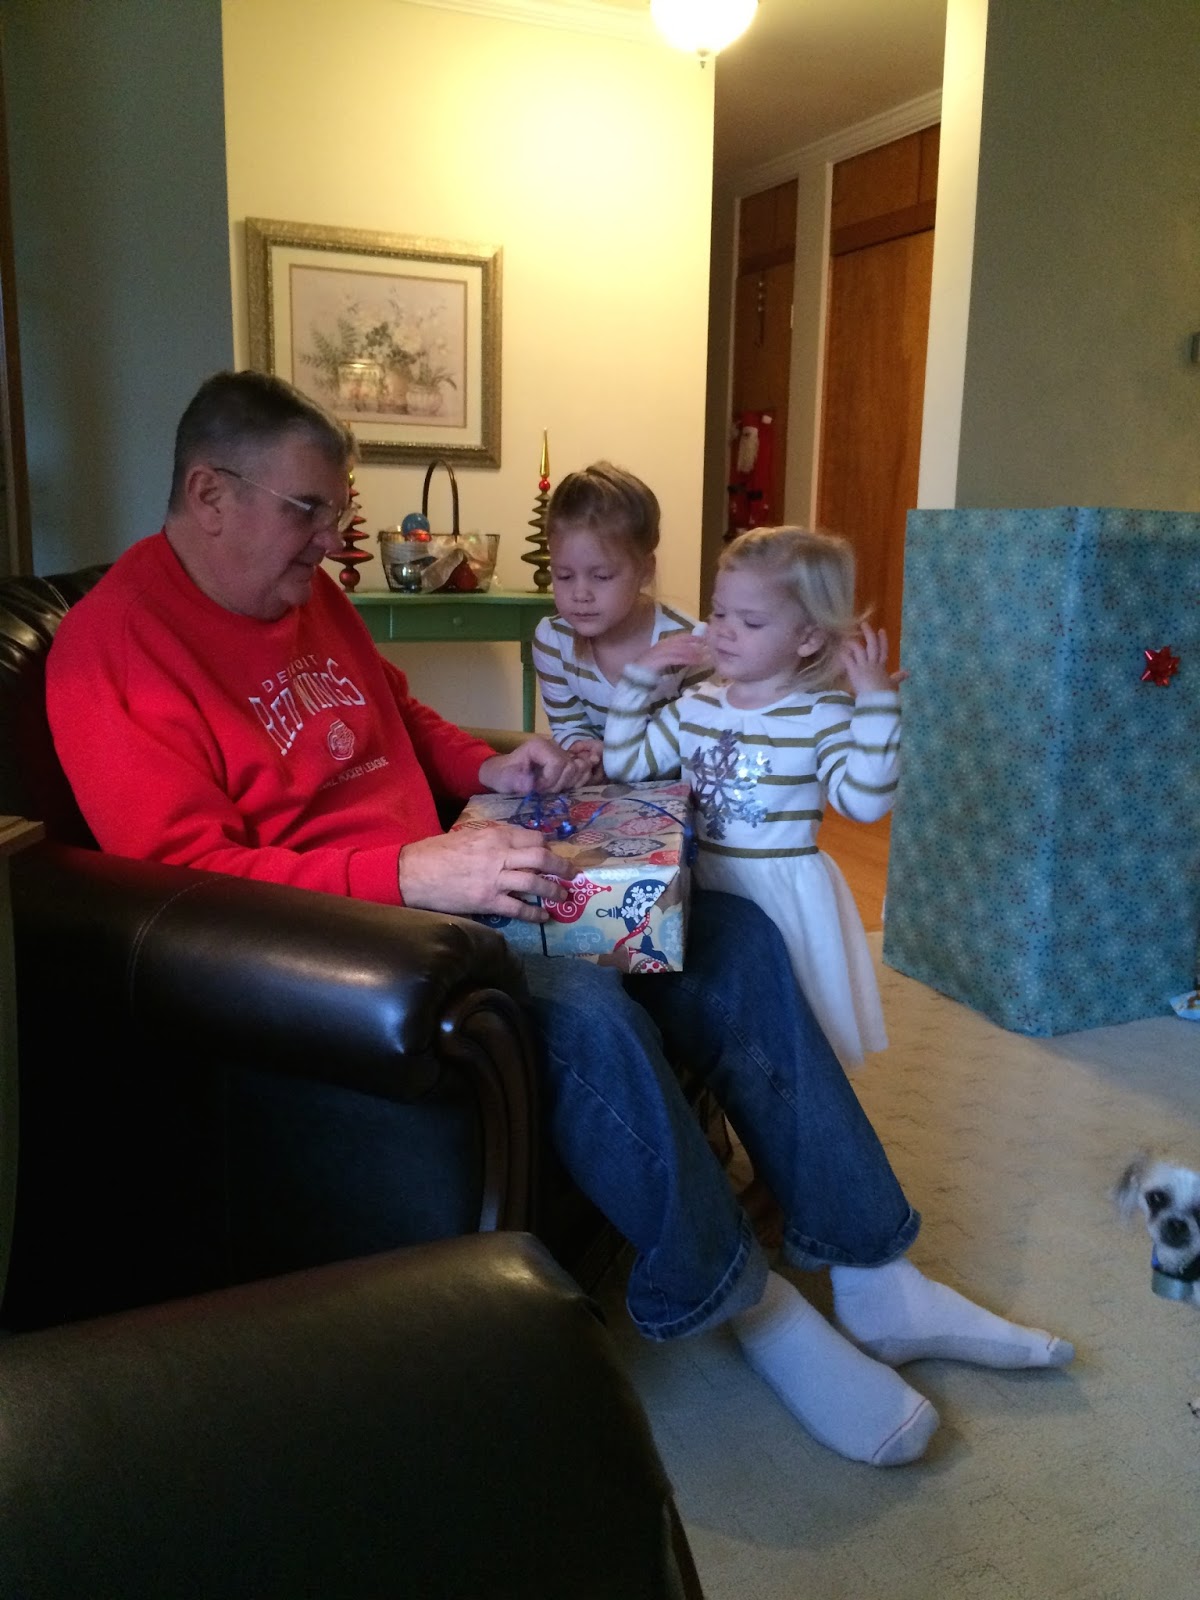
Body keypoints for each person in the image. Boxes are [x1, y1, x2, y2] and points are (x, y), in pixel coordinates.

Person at [47, 374, 1073, 1470]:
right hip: (349, 938)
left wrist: (486, 766)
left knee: (729, 933)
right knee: (581, 1008)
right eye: (310, 509)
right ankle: (751, 1306)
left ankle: (875, 1272)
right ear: (211, 494)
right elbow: (187, 881)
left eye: (336, 510)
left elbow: (402, 714)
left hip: (463, 866)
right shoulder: (115, 650)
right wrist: (411, 873)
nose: (332, 539)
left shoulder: (306, 597)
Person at [605, 524, 897, 1073]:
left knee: (785, 1034)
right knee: (706, 1019)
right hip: (701, 884)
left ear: (808, 638)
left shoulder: (823, 714)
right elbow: (626, 765)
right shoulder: (696, 704)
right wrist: (638, 679)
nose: (724, 631)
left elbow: (864, 802)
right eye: (718, 612)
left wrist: (877, 706)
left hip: (781, 898)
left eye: (751, 621)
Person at [531, 462, 708, 783]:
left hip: (669, 794)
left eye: (601, 576)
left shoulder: (686, 643)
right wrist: (586, 754)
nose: (580, 593)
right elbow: (569, 728)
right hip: (596, 794)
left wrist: (618, 756)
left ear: (645, 570)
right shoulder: (552, 641)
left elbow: (699, 738)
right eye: (564, 576)